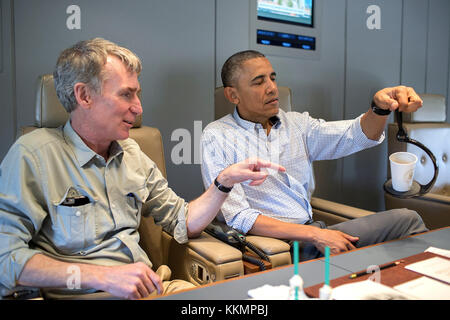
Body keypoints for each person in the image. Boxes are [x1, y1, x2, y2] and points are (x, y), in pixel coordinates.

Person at [0, 39, 285, 300]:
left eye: (137, 94)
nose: (138, 108)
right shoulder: (33, 155)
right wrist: (103, 276)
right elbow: (5, 258)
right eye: (126, 95)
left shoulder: (133, 154)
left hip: (151, 291)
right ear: (84, 96)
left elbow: (183, 221)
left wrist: (224, 181)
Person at [201, 50, 428, 261]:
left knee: (401, 244)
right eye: (259, 82)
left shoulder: (297, 124)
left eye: (272, 78)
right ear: (233, 95)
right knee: (408, 220)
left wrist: (380, 108)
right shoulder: (217, 136)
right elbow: (238, 216)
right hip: (278, 246)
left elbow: (356, 135)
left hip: (313, 232)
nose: (272, 88)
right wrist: (313, 235)